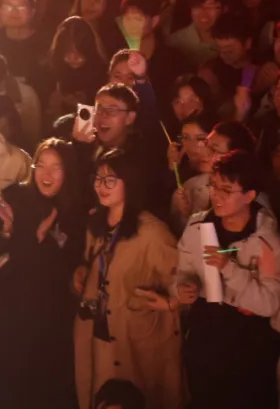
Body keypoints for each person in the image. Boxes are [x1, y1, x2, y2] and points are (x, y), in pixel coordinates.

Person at [0, 138, 84, 409]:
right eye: (41, 165)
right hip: (12, 308)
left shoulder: (77, 211)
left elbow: (74, 265)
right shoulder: (16, 197)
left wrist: (48, 241)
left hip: (52, 315)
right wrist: (6, 230)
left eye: (56, 167)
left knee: (43, 386)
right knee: (6, 383)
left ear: (68, 171)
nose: (46, 174)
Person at [73, 149, 181, 409]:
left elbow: (182, 279)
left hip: (134, 339)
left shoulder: (151, 233)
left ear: (130, 182)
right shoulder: (95, 223)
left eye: (110, 179)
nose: (101, 186)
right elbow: (92, 265)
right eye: (98, 178)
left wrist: (171, 303)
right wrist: (81, 272)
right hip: (97, 336)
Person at [173, 149, 280, 408]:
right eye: (213, 186)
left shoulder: (266, 240)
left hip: (249, 350)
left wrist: (228, 268)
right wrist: (183, 287)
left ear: (249, 196)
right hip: (205, 342)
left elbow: (269, 305)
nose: (216, 195)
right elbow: (182, 272)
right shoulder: (198, 226)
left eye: (226, 190)